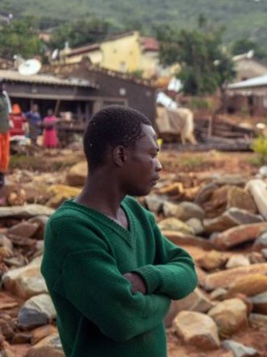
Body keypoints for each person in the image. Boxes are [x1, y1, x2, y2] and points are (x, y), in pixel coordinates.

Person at [41, 106, 197, 357]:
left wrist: (146, 279)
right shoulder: (70, 229)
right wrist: (168, 298)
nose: (159, 165)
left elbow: (187, 268)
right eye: (152, 154)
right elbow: (123, 318)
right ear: (121, 155)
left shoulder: (135, 213)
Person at [0, 82, 10, 186]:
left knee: (4, 156)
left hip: (4, 130)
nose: (3, 87)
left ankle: (1, 177)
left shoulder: (4, 96)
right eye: (1, 85)